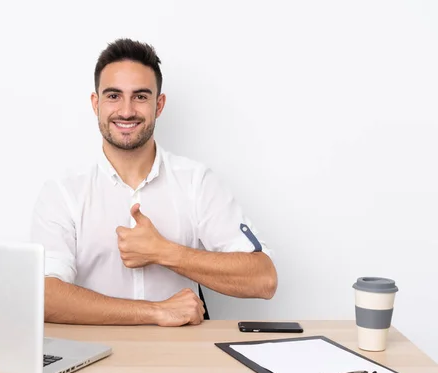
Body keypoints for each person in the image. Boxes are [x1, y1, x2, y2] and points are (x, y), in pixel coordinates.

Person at [31, 38, 277, 327]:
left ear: (158, 105)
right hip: (92, 361)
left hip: (179, 362)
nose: (126, 111)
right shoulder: (63, 193)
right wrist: (155, 311)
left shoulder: (196, 182)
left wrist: (163, 252)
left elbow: (264, 279)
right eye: (113, 96)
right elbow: (44, 297)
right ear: (95, 103)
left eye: (140, 96)